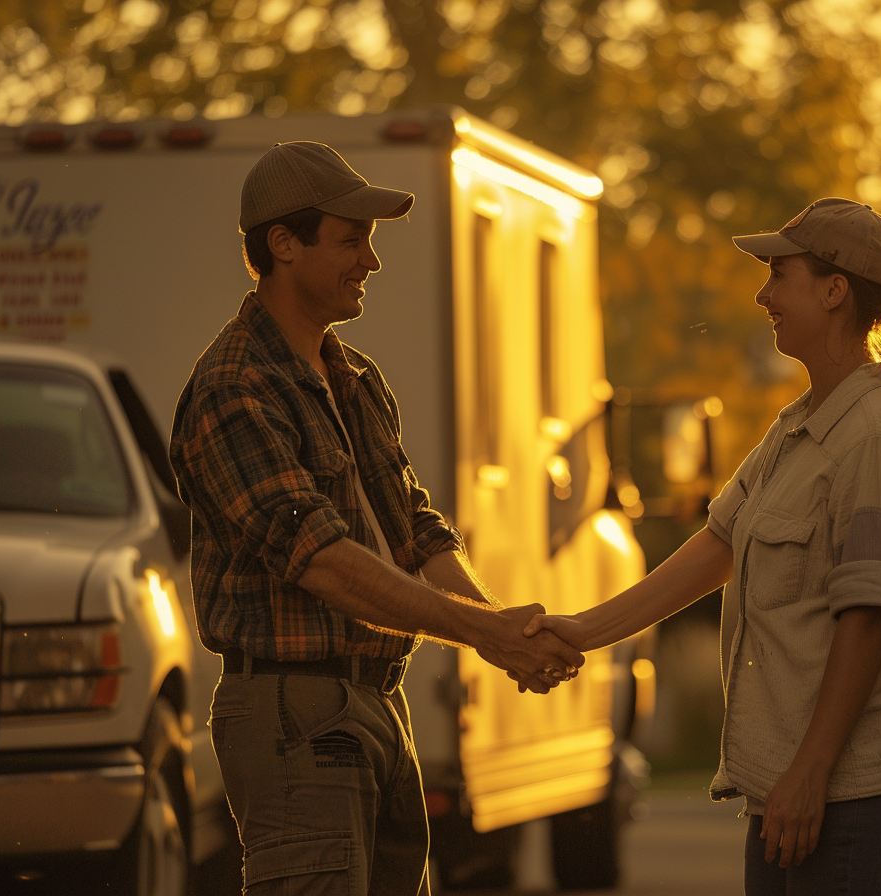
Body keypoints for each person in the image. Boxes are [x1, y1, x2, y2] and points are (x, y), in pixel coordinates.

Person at [525, 198, 881, 895]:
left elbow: (868, 616)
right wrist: (585, 632)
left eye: (780, 274)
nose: (763, 295)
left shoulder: (878, 437)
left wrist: (811, 770)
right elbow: (717, 545)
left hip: (852, 799)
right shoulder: (799, 427)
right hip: (793, 792)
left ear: (834, 291)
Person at [169, 141, 583, 896]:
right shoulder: (234, 388)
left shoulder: (354, 377)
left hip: (377, 702)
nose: (371, 260)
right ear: (282, 245)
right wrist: (486, 633)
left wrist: (503, 633)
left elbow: (415, 533)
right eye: (351, 239)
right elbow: (321, 558)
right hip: (293, 714)